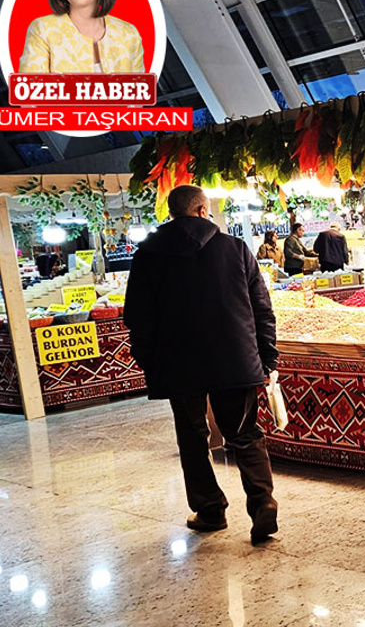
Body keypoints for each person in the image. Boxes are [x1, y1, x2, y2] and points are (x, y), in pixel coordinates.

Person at [123, 185, 279, 544]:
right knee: (244, 433)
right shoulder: (235, 248)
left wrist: (150, 362)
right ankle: (262, 503)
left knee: (193, 437)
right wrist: (267, 357)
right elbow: (262, 309)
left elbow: (138, 317)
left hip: (178, 364)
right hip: (236, 358)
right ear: (201, 210)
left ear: (174, 213)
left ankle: (210, 509)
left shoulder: (147, 255)